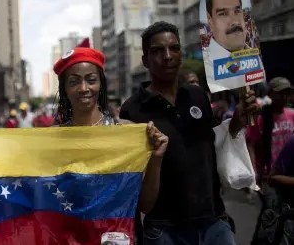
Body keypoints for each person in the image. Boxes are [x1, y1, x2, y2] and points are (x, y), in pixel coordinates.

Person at [119, 21, 259, 245]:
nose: (167, 56)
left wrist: (237, 122)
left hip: (214, 223)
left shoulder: (197, 96)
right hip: (165, 231)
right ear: (145, 60)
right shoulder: (132, 109)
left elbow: (214, 142)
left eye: (174, 48)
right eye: (157, 50)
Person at [53, 47, 169, 242]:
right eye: (74, 82)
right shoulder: (53, 141)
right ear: (64, 88)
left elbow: (145, 206)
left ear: (101, 84)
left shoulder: (126, 133)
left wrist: (156, 158)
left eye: (91, 80)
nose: (83, 88)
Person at [246, 77, 294, 184]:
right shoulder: (260, 118)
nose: (284, 97)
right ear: (270, 94)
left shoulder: (292, 114)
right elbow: (251, 144)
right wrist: (253, 172)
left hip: (288, 173)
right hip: (267, 176)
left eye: (287, 93)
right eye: (280, 93)